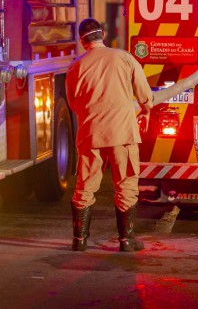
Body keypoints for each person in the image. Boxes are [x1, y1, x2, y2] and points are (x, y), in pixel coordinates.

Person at [65, 18, 153, 252]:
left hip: (90, 134)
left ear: (82, 41)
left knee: (85, 186)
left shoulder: (75, 66)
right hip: (121, 133)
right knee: (125, 184)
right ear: (102, 34)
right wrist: (145, 108)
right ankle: (126, 240)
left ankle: (79, 240)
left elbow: (74, 103)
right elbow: (143, 91)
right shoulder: (124, 57)